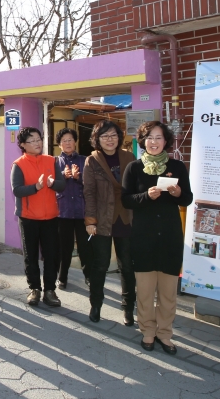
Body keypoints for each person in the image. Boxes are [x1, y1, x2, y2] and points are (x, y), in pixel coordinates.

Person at [121, 120, 193, 356]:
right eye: (149, 137)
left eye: (159, 138)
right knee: (144, 290)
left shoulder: (177, 167)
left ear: (166, 141)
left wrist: (178, 192)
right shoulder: (134, 168)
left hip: (170, 237)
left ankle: (165, 334)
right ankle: (148, 331)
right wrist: (145, 196)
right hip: (143, 237)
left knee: (168, 292)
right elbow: (126, 200)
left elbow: (187, 199)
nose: (154, 142)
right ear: (143, 141)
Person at [81, 120, 137, 325]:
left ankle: (128, 308)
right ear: (97, 139)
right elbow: (89, 192)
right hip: (102, 219)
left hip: (126, 217)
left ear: (119, 137)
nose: (110, 139)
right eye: (105, 136)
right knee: (100, 265)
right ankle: (96, 305)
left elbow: (134, 188)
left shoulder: (128, 157)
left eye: (113, 135)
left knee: (128, 266)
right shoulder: (92, 160)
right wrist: (90, 220)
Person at [11, 127, 66, 307]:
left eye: (38, 139)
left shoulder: (52, 160)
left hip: (51, 216)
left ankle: (50, 290)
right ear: (23, 145)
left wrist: (52, 183)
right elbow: (17, 190)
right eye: (32, 140)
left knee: (52, 255)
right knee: (31, 255)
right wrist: (36, 187)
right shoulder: (18, 164)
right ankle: (34, 288)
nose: (37, 143)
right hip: (28, 217)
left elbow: (61, 185)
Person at [54, 128, 88, 290]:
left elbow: (91, 185)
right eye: (64, 141)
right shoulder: (54, 162)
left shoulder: (85, 160)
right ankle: (62, 277)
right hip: (63, 211)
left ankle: (89, 276)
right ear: (59, 144)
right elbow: (50, 185)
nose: (67, 143)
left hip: (82, 211)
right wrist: (63, 176)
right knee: (63, 247)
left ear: (75, 142)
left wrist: (78, 177)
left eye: (70, 140)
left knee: (85, 247)